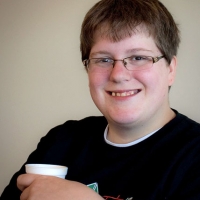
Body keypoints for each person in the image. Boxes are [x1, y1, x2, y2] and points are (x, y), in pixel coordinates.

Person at [1, 0, 200, 199]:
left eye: (138, 57)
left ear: (170, 69)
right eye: (103, 60)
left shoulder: (194, 156)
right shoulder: (60, 141)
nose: (118, 75)